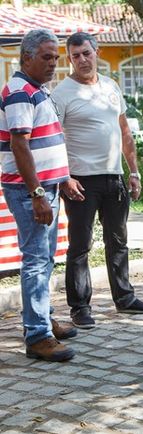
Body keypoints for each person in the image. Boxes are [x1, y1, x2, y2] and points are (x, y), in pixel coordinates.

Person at [52, 32, 143, 329]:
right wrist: (65, 177)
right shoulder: (62, 93)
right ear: (69, 59)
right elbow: (54, 138)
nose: (82, 60)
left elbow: (124, 131)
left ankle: (124, 298)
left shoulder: (111, 86)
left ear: (96, 52)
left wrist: (133, 171)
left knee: (118, 240)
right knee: (81, 245)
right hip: (81, 181)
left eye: (86, 53)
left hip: (115, 177)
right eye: (76, 56)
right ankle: (80, 307)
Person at [0, 29, 76, 362]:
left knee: (44, 258)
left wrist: (63, 178)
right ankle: (37, 335)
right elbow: (20, 144)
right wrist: (37, 193)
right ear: (27, 56)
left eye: (56, 57)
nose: (53, 63)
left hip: (45, 188)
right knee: (35, 260)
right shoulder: (19, 92)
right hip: (29, 190)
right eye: (47, 56)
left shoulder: (36, 90)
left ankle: (41, 316)